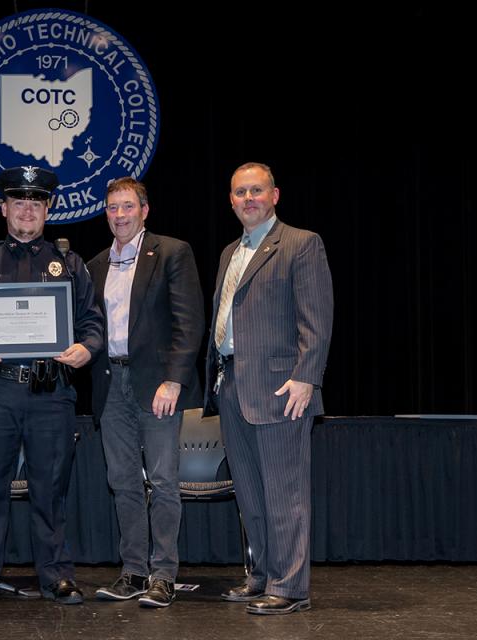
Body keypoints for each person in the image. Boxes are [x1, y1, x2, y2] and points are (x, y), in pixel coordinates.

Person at [0, 165, 104, 606]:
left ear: (48, 209)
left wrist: (85, 349)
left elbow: (92, 321)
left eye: (36, 202)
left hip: (51, 392)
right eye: (19, 201)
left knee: (50, 488)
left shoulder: (70, 264)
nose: (27, 210)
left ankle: (56, 575)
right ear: (4, 208)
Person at [205, 162, 333, 615]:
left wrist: (306, 376)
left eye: (256, 190)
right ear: (231, 200)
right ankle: (260, 576)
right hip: (233, 384)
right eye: (240, 192)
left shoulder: (300, 244)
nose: (248, 199)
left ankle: (290, 586)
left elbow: (316, 320)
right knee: (251, 492)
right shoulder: (229, 252)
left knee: (285, 493)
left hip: (283, 388)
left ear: (274, 195)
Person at [87, 177, 204, 608]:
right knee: (122, 483)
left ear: (144, 210)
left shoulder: (172, 252)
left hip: (157, 385)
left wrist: (174, 379)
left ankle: (164, 574)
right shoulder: (96, 264)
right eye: (112, 208)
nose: (119, 214)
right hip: (109, 384)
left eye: (127, 207)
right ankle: (133, 571)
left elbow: (189, 321)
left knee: (162, 480)